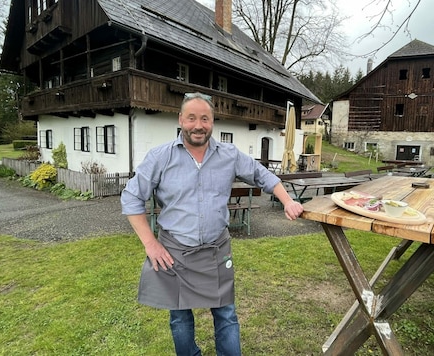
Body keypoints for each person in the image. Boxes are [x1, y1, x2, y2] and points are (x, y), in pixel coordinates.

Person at [120, 92, 303, 355]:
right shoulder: (160, 157)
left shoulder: (228, 154)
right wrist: (151, 244)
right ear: (181, 119)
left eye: (204, 118)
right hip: (176, 253)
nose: (198, 125)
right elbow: (131, 197)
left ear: (213, 121)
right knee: (180, 318)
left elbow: (262, 175)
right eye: (192, 118)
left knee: (226, 314)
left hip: (217, 250)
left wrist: (287, 201)